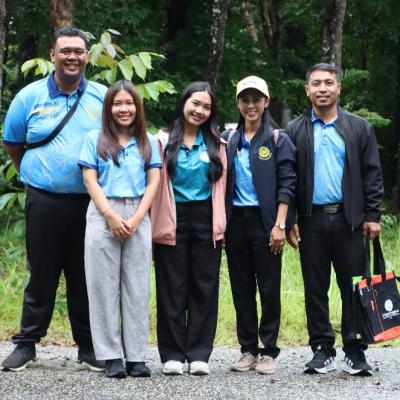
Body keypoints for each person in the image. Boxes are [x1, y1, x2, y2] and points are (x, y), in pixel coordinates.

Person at [1, 27, 107, 372]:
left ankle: (88, 347)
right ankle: (27, 344)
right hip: (44, 200)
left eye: (78, 51)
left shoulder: (102, 97)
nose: (72, 57)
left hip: (90, 202)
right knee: (42, 272)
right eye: (65, 51)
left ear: (87, 56)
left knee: (84, 274)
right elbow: (13, 142)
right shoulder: (29, 96)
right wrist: (34, 172)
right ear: (52, 55)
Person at [286, 63, 384, 376]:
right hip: (310, 220)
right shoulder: (294, 130)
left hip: (349, 220)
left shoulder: (358, 127)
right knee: (315, 287)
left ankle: (355, 350)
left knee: (353, 286)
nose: (323, 88)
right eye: (316, 84)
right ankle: (321, 349)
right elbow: (287, 177)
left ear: (339, 88)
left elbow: (372, 173)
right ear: (307, 90)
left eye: (329, 83)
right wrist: (289, 218)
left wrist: (372, 215)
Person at [78, 80, 161, 379]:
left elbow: (154, 181)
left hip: (138, 212)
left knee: (137, 287)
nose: (123, 109)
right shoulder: (94, 138)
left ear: (137, 107)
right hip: (104, 212)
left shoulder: (148, 141)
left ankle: (137, 357)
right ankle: (111, 356)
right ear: (108, 107)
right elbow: (89, 179)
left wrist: (138, 217)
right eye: (117, 103)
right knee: (103, 287)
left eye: (129, 103)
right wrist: (110, 215)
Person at [151, 81, 227, 376]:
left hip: (207, 219)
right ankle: (172, 354)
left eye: (206, 107)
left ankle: (198, 354)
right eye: (195, 103)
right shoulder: (161, 142)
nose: (200, 110)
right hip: (171, 217)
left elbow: (224, 188)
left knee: (204, 287)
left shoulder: (218, 144)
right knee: (171, 287)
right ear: (183, 103)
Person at [223, 76, 296, 375]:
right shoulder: (228, 139)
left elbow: (287, 183)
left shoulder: (278, 139)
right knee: (241, 288)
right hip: (235, 223)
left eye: (256, 99)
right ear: (238, 103)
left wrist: (280, 225)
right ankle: (248, 349)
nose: (250, 105)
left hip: (266, 223)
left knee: (268, 288)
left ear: (266, 102)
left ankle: (268, 351)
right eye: (245, 99)